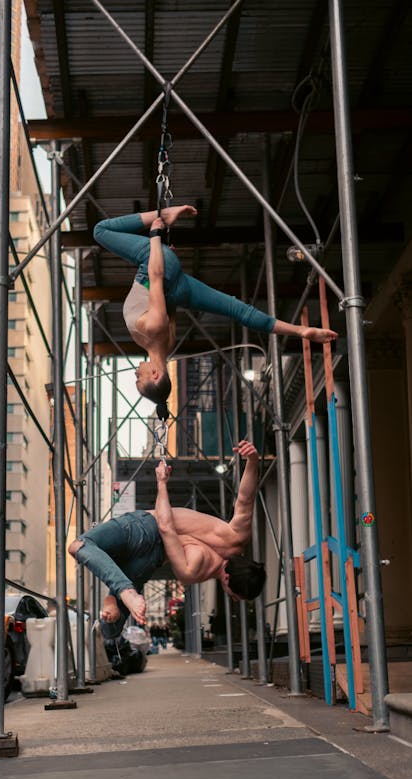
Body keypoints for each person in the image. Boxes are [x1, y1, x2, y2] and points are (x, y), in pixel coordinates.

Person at [94, 207, 338, 414]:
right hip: (156, 266)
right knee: (100, 231)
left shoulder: (166, 345)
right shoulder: (153, 328)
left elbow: (168, 302)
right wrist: (156, 237)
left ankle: (302, 331)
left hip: (174, 284)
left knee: (237, 310)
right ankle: (164, 213)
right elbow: (156, 278)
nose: (136, 373)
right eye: (140, 379)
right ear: (156, 375)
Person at [68, 439, 265, 640]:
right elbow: (165, 528)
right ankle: (116, 595)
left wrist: (252, 460)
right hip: (150, 553)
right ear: (227, 579)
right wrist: (161, 484)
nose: (231, 599)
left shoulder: (236, 538)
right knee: (111, 630)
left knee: (79, 545)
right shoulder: (193, 571)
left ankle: (122, 591)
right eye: (233, 595)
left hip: (143, 530)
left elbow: (245, 500)